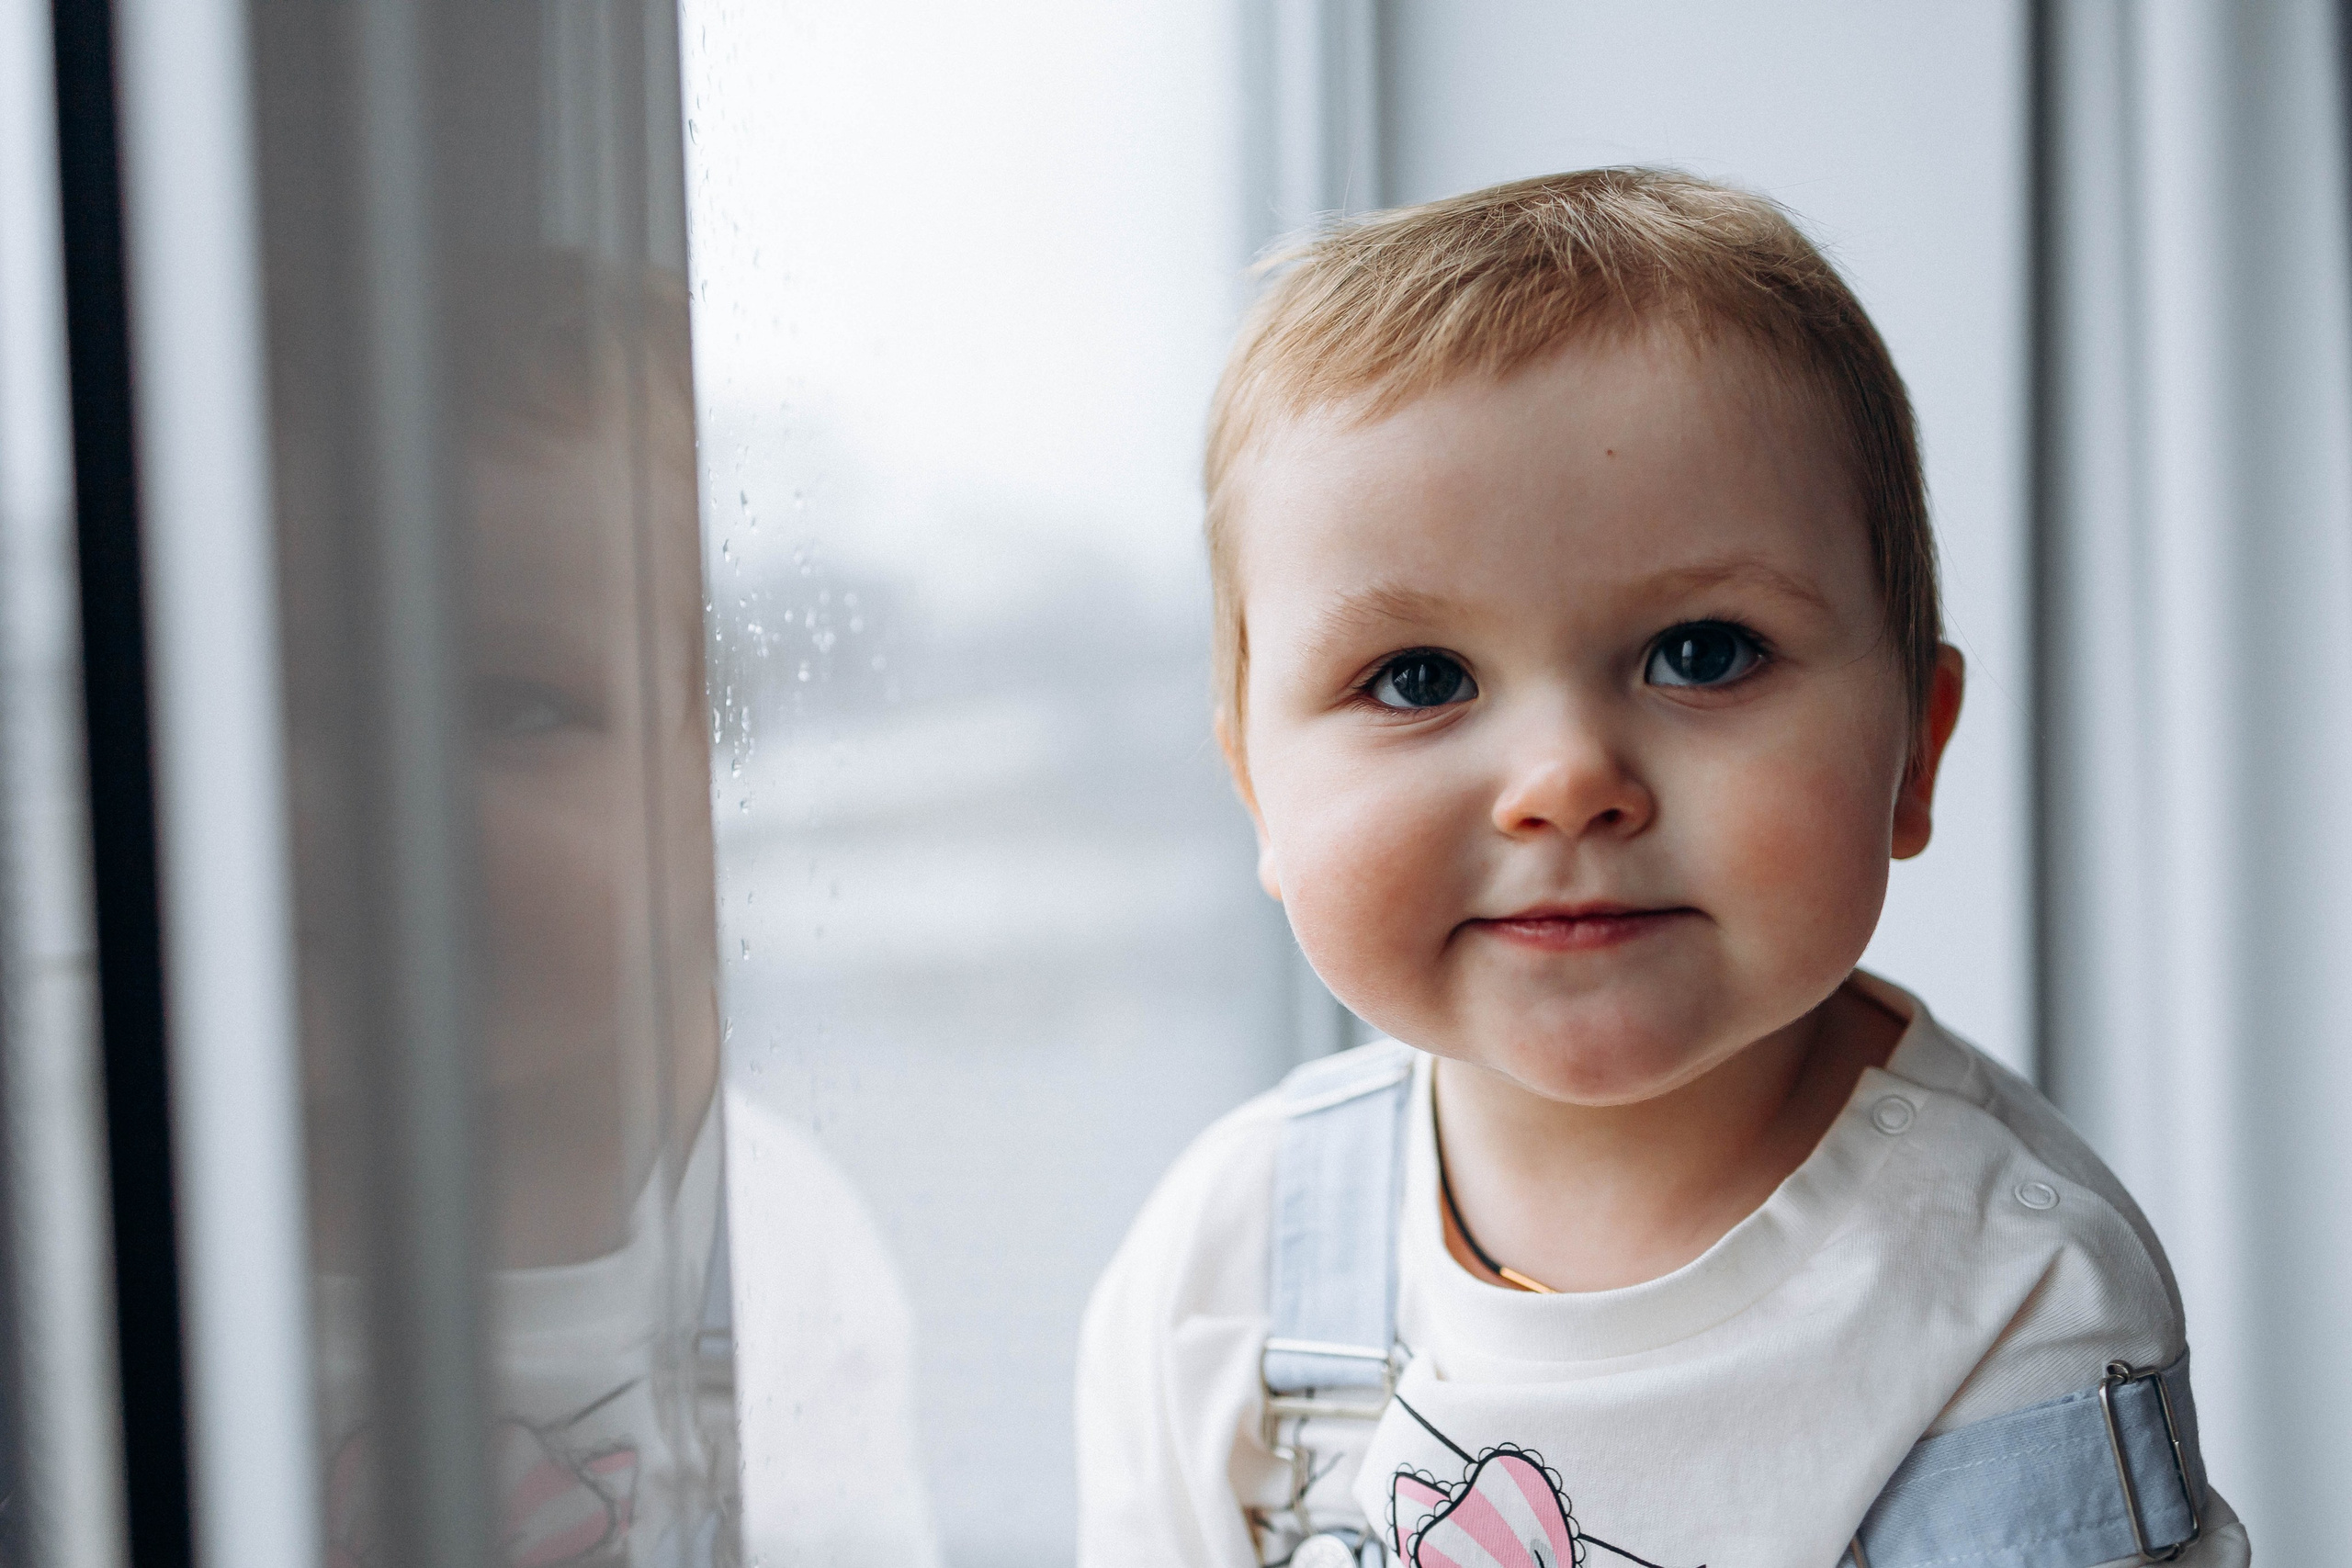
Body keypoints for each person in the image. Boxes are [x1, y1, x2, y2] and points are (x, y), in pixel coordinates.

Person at [1075, 170, 2250, 1567]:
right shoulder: (1234, 1268)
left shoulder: (2008, 1296)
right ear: (1259, 788)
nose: (1567, 777)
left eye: (1704, 652)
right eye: (1419, 678)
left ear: (1913, 758)